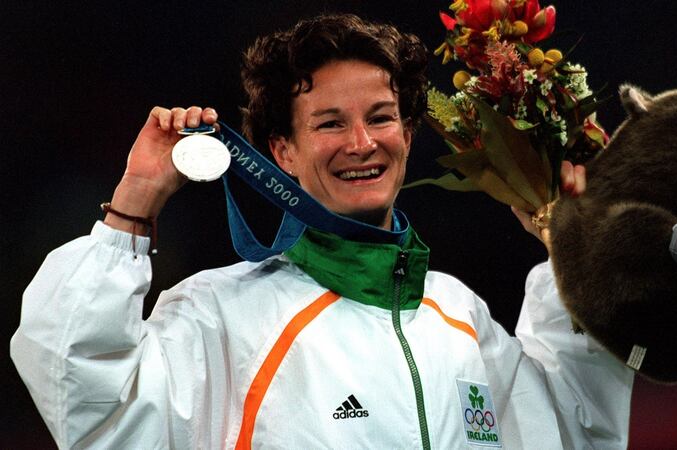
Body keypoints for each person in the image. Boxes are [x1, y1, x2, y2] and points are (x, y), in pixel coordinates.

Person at [11, 13, 632, 449]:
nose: (362, 144)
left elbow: (574, 431)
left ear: (409, 136)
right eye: (330, 124)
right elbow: (88, 404)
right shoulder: (220, 318)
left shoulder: (458, 315)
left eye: (381, 117)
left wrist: (572, 259)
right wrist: (134, 205)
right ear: (282, 151)